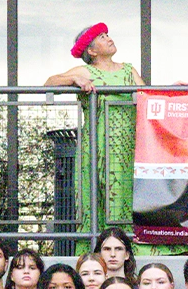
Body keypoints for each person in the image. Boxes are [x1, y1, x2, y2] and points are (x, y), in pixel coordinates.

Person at [48, 25, 149, 241]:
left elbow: (148, 98)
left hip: (130, 143)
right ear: (91, 51)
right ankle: (100, 244)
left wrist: (172, 89)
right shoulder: (85, 71)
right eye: (102, 37)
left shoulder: (129, 69)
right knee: (100, 193)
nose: (109, 38)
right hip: (100, 145)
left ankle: (134, 243)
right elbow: (50, 83)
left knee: (131, 192)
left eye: (107, 35)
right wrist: (73, 80)